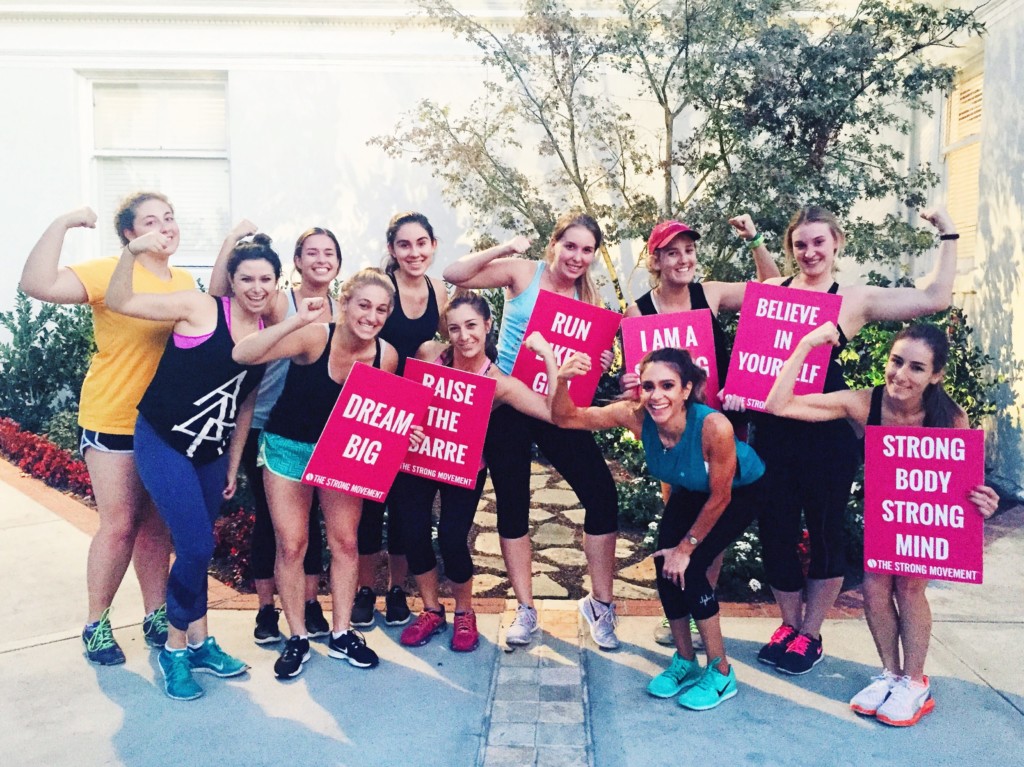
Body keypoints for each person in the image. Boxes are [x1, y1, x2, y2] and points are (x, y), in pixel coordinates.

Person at [749, 206, 959, 675]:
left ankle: (811, 633)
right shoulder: (772, 293)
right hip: (774, 426)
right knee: (776, 533)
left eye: (819, 242)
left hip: (826, 428)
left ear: (837, 243)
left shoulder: (853, 299)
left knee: (825, 533)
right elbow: (733, 336)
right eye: (800, 244)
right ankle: (787, 624)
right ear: (789, 248)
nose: (810, 252)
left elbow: (935, 297)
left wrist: (948, 234)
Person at [765, 321, 999, 726]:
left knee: (909, 588)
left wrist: (985, 498)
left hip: (922, 514)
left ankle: (915, 681)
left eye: (917, 368)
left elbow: (963, 481)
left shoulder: (949, 416)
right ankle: (891, 674)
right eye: (896, 361)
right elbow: (780, 404)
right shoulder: (864, 403)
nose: (901, 375)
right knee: (874, 588)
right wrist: (805, 344)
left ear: (936, 375)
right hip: (885, 511)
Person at [528, 336, 765, 710]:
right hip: (693, 486)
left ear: (687, 389)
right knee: (662, 562)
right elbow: (565, 417)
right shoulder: (636, 415)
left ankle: (720, 672)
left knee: (693, 567)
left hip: (741, 490)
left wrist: (687, 547)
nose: (656, 395)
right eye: (649, 385)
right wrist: (561, 379)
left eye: (668, 385)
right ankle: (685, 661)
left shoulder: (713, 427)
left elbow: (720, 497)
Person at [19, 195, 194, 665]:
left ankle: (156, 615)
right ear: (130, 236)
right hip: (113, 417)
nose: (165, 227)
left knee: (156, 528)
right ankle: (97, 623)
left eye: (170, 218)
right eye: (151, 222)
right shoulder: (107, 271)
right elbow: (35, 283)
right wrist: (63, 220)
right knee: (118, 526)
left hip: (164, 424)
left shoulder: (183, 280)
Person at [107, 230, 277, 699]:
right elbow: (120, 299)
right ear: (232, 279)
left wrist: (234, 461)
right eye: (247, 278)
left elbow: (246, 404)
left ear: (277, 283)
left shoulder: (267, 334)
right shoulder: (200, 308)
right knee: (197, 544)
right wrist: (131, 253)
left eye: (266, 278)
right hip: (163, 440)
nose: (256, 287)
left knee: (196, 550)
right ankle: (174, 648)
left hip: (212, 451)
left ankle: (200, 642)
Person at [443, 212, 621, 650]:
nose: (577, 256)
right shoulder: (523, 273)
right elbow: (453, 273)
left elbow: (590, 363)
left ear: (593, 256)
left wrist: (601, 362)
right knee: (513, 506)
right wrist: (505, 248)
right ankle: (526, 609)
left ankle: (601, 604)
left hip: (555, 406)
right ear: (555, 244)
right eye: (570, 246)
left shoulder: (591, 301)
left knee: (602, 494)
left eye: (586, 250)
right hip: (509, 403)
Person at [233, 269, 409, 679]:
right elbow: (243, 353)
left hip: (342, 452)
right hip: (288, 448)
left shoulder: (387, 356)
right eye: (363, 305)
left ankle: (342, 632)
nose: (371, 316)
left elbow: (376, 417)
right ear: (344, 304)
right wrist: (297, 320)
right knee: (292, 545)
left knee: (345, 542)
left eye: (381, 310)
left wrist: (403, 430)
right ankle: (296, 637)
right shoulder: (315, 337)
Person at [625, 214, 779, 647]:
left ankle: (698, 603)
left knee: (714, 512)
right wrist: (626, 384)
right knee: (677, 512)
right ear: (656, 260)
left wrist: (755, 241)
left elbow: (775, 292)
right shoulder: (640, 310)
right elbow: (635, 377)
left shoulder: (707, 294)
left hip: (718, 425)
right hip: (674, 433)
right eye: (673, 252)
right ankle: (682, 601)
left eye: (689, 250)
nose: (683, 259)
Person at [396, 292, 554, 651]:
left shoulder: (498, 381)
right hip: (419, 458)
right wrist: (406, 423)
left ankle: (465, 612)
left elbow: (550, 411)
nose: (464, 336)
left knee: (452, 537)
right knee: (413, 531)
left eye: (471, 326)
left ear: (487, 325)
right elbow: (398, 394)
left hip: (463, 462)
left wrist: (549, 359)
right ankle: (432, 610)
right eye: (455, 328)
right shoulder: (427, 354)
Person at [211, 224, 340, 645]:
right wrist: (231, 243)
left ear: (338, 262)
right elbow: (221, 299)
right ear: (297, 261)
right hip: (265, 420)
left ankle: (308, 602)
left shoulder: (342, 308)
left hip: (318, 429)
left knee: (314, 522)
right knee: (274, 523)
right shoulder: (281, 300)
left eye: (329, 253)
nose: (321, 260)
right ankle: (267, 610)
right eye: (311, 253)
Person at [353, 212, 448, 629]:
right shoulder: (378, 286)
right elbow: (354, 339)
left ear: (433, 245)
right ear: (391, 248)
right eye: (405, 244)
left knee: (407, 509)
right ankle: (363, 590)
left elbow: (446, 347)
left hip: (419, 415)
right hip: (376, 408)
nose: (415, 252)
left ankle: (395, 589)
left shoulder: (438, 288)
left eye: (422, 243)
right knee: (368, 509)